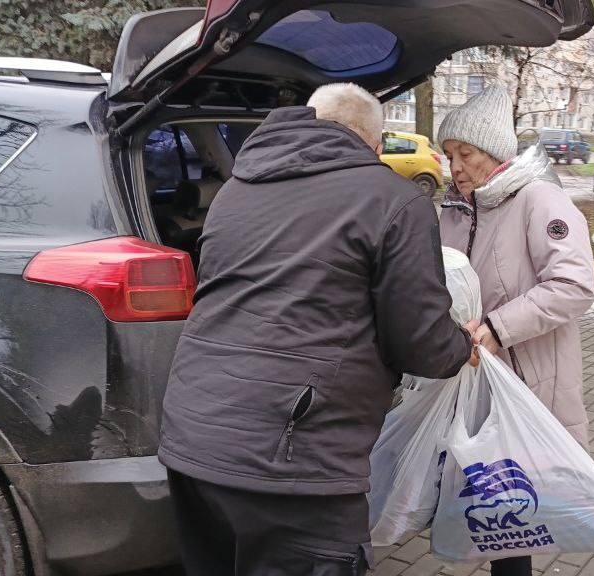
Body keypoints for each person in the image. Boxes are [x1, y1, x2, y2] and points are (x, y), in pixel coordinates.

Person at [158, 83, 476, 575]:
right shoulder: (393, 200)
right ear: (374, 145)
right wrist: (462, 344)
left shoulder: (236, 191)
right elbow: (423, 345)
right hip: (295, 463)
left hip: (193, 440)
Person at [436, 87, 594, 576]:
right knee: (492, 504)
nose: (456, 167)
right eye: (449, 156)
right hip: (471, 378)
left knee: (515, 515)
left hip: (526, 383)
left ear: (495, 151)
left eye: (466, 153)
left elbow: (574, 285)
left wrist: (495, 328)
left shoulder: (538, 200)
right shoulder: (454, 209)